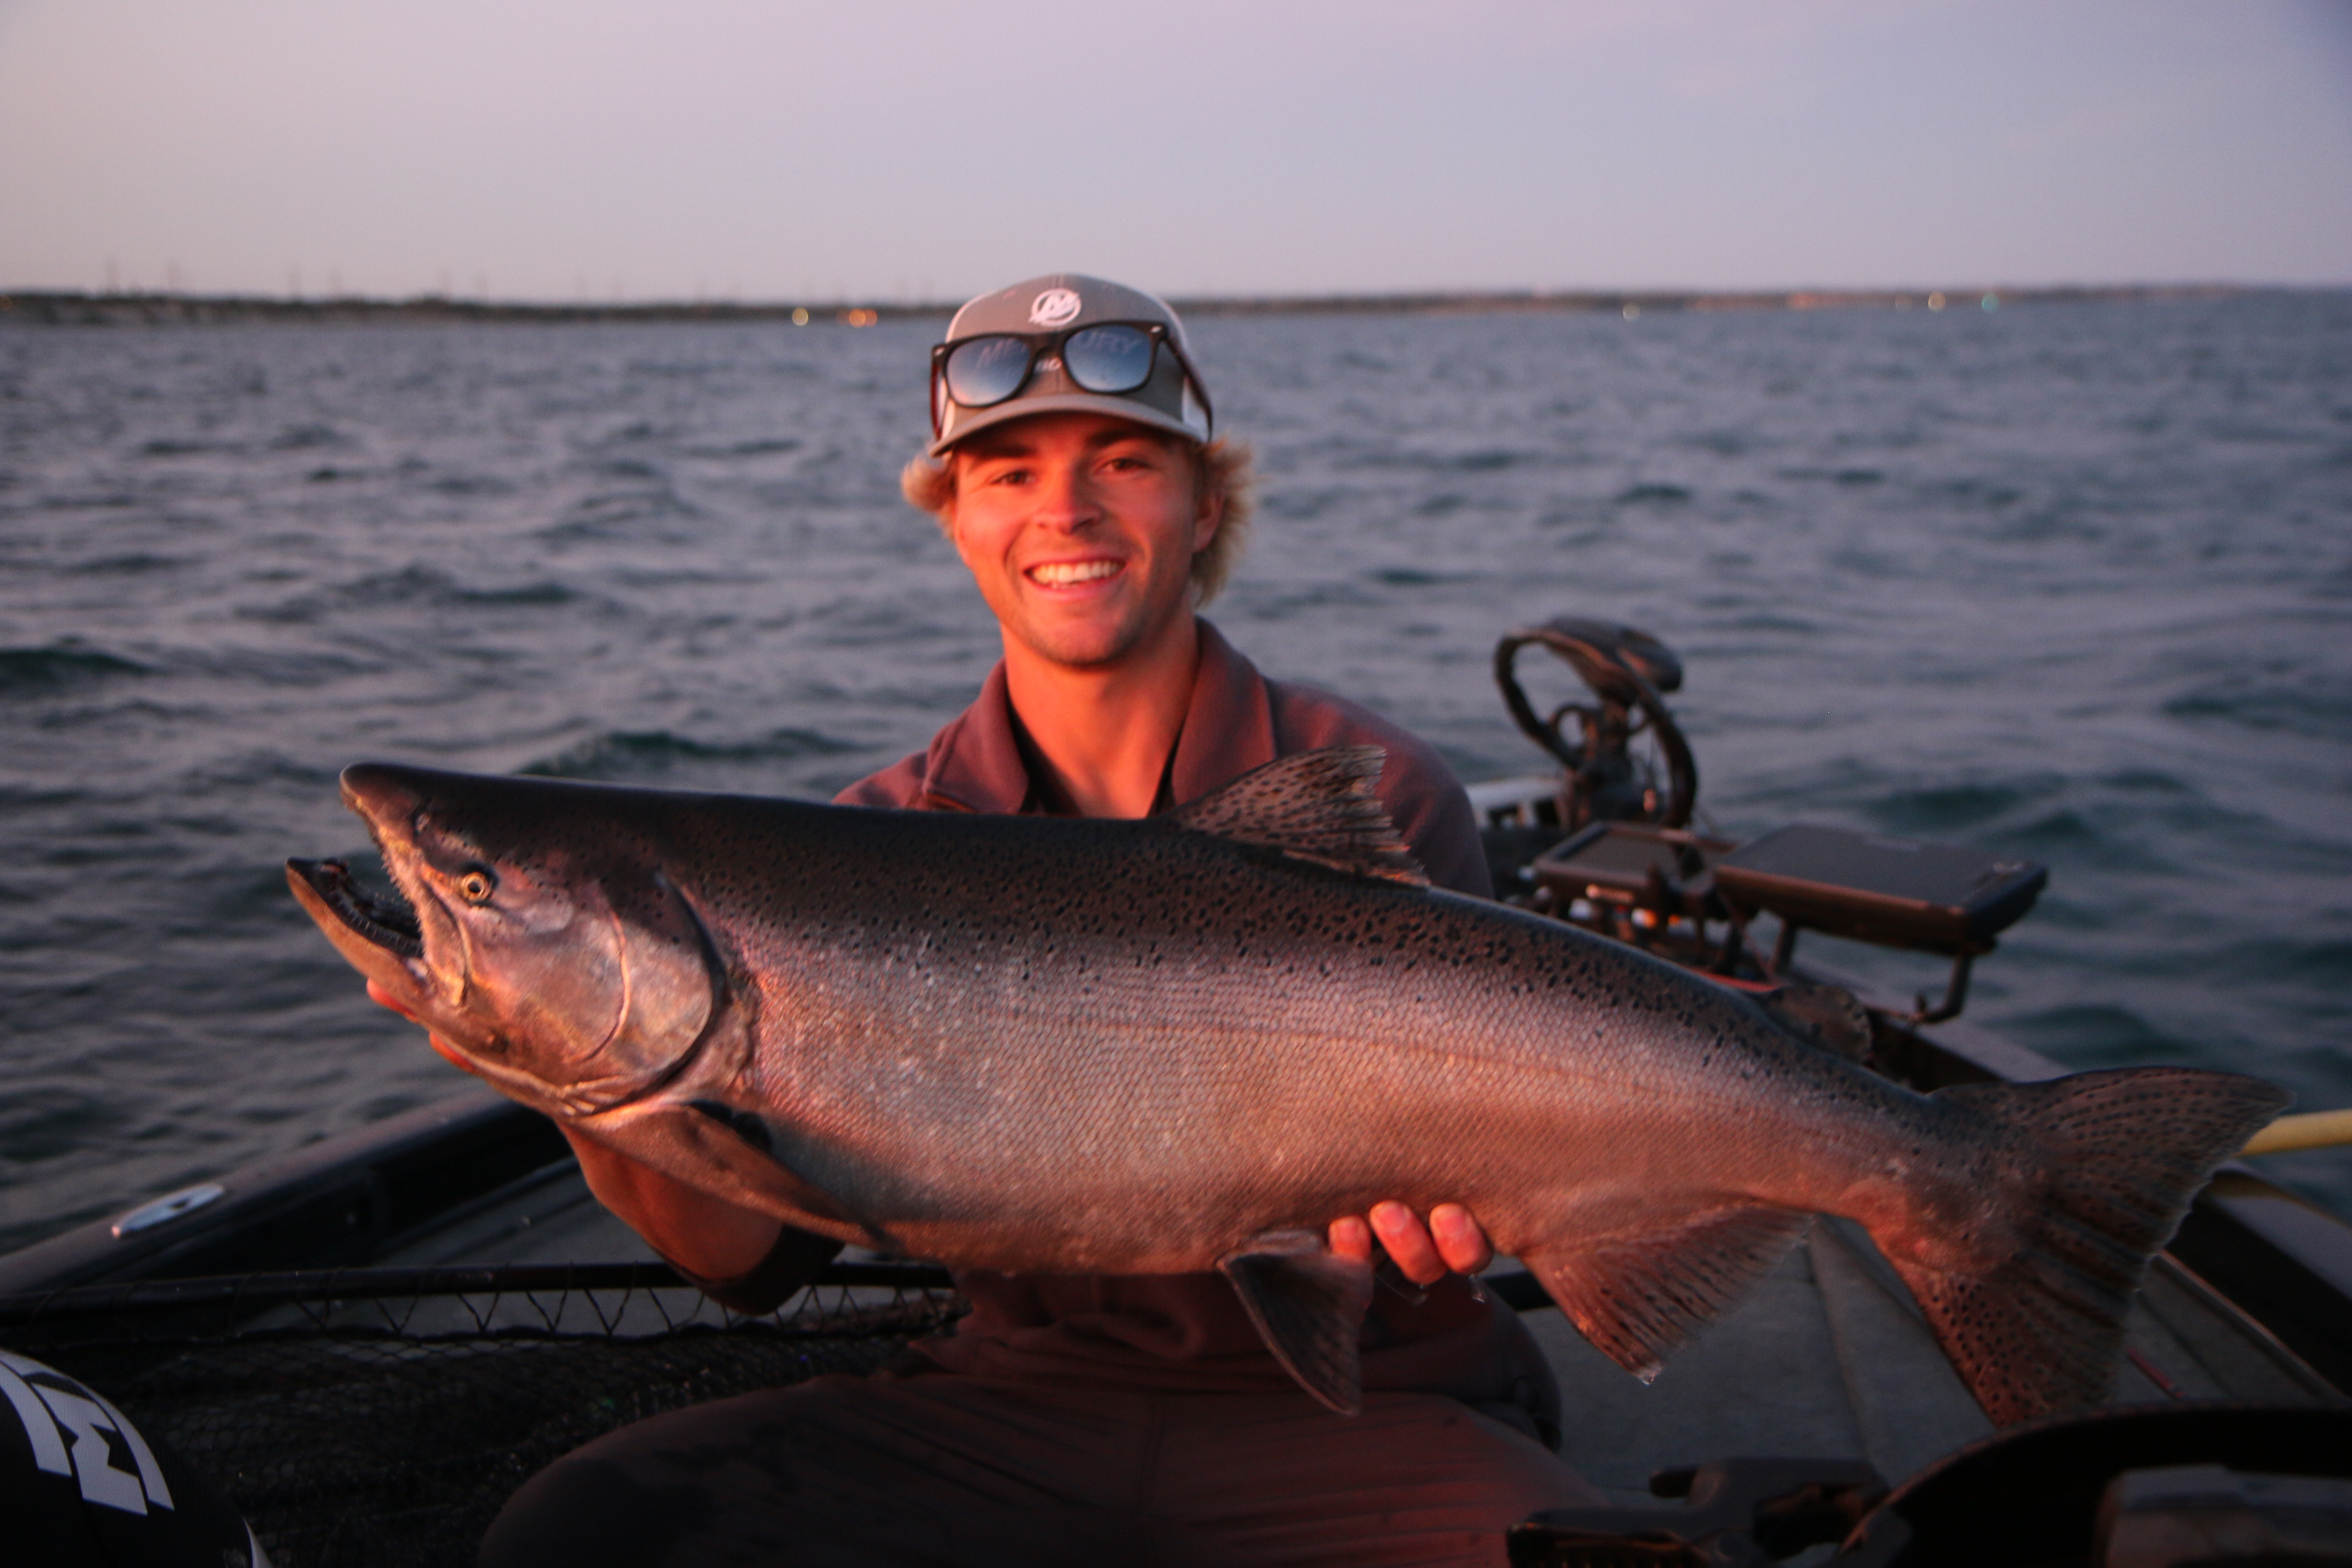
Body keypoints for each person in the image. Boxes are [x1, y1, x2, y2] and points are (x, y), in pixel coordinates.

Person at [435, 275, 1606, 1566]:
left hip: (1372, 1411)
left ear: (1206, 502)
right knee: (579, 1536)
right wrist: (582, 1088)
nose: (1066, 509)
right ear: (954, 520)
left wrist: (1458, 1215)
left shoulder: (1372, 789)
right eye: (1005, 473)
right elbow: (749, 1257)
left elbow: (1450, 1200)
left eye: (1122, 459)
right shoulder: (866, 842)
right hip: (1010, 1404)